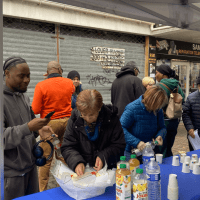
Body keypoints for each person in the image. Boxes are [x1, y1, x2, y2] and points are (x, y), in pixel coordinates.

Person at [3, 57, 55, 200]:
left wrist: (39, 129)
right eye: (21, 76)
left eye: (28, 75)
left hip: (30, 168)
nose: (27, 80)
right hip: (11, 175)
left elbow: (29, 122)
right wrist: (27, 128)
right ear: (7, 73)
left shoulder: (24, 96)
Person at [31, 60, 75, 191]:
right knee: (63, 156)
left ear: (47, 72)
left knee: (45, 159)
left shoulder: (41, 85)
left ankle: (42, 191)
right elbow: (72, 100)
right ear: (60, 70)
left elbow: (35, 109)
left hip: (49, 125)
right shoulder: (69, 82)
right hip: (68, 123)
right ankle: (63, 187)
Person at [61, 89, 126, 175]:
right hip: (84, 173)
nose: (87, 119)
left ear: (99, 109)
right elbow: (68, 146)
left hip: (107, 172)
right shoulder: (74, 119)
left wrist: (104, 156)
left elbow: (119, 145)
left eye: (91, 115)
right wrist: (77, 162)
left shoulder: (111, 118)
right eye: (83, 114)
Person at [120, 85, 167, 162]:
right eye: (156, 105)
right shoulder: (132, 108)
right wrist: (137, 142)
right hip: (132, 152)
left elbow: (162, 127)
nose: (157, 108)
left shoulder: (158, 110)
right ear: (150, 100)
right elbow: (121, 129)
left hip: (149, 151)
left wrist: (160, 135)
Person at [156, 64, 185, 158]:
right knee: (169, 147)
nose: (155, 75)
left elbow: (154, 105)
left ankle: (162, 169)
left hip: (161, 122)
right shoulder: (177, 86)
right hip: (174, 121)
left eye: (157, 73)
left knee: (160, 150)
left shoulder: (159, 87)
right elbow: (183, 100)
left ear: (163, 74)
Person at [182, 75, 200, 151]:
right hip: (195, 134)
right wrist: (190, 128)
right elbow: (186, 114)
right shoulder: (191, 97)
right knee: (195, 157)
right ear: (199, 86)